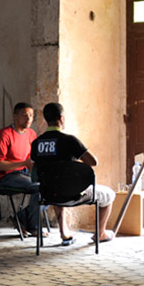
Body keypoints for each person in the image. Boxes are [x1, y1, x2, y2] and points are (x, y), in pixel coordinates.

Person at [30, 102, 116, 245]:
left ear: (45, 120)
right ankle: (100, 233)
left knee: (55, 184)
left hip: (48, 193)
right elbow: (93, 162)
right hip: (73, 193)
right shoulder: (69, 140)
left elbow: (35, 167)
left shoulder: (36, 143)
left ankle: (64, 233)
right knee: (108, 195)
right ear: (61, 119)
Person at [0, 102, 45, 236]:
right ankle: (33, 227)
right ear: (15, 117)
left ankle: (21, 216)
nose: (29, 119)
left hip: (26, 174)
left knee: (50, 186)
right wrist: (24, 163)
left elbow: (33, 159)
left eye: (31, 116)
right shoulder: (4, 134)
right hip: (7, 176)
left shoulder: (31, 134)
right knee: (37, 187)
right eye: (24, 115)